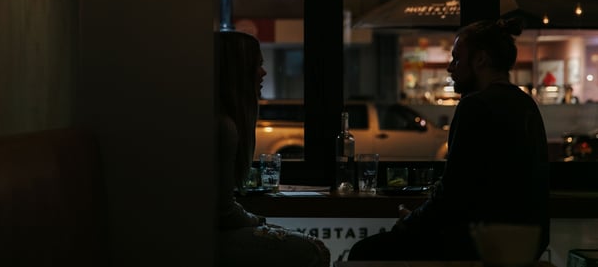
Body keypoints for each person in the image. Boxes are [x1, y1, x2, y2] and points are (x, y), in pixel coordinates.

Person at [347, 18, 550, 261]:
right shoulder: (525, 104)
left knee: (363, 253)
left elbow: (454, 194)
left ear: (480, 60)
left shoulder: (475, 105)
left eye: (456, 59)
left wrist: (409, 222)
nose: (450, 68)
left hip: (478, 242)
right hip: (526, 244)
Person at [214, 30, 331, 267]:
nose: (263, 73)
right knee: (313, 250)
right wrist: (259, 221)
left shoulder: (217, 121)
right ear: (238, 72)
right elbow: (223, 211)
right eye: (257, 65)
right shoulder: (224, 127)